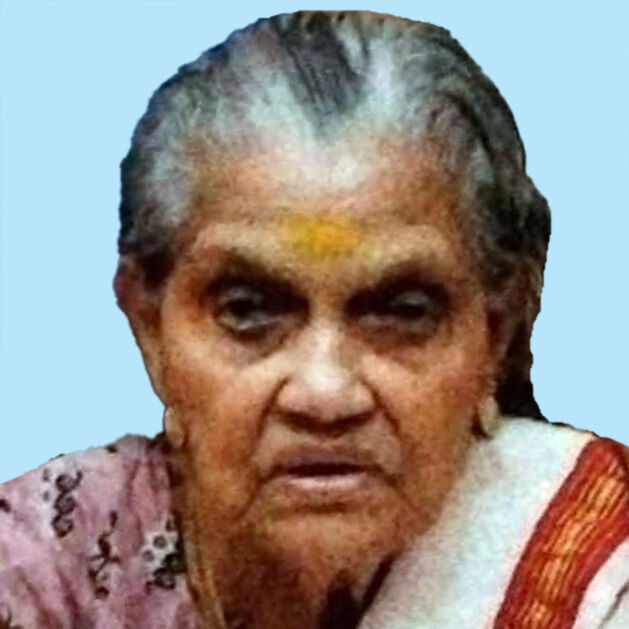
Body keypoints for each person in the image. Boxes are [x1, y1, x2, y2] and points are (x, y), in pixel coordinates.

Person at [0, 10, 628, 629]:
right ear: (150, 328)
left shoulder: (593, 566)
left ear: (496, 333)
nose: (325, 395)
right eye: (248, 311)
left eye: (403, 312)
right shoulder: (47, 568)